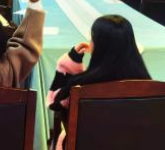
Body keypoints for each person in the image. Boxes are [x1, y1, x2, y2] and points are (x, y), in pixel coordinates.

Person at [47, 15, 151, 149]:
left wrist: (71, 60)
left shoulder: (81, 87)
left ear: (99, 46)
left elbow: (54, 103)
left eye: (92, 38)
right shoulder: (149, 86)